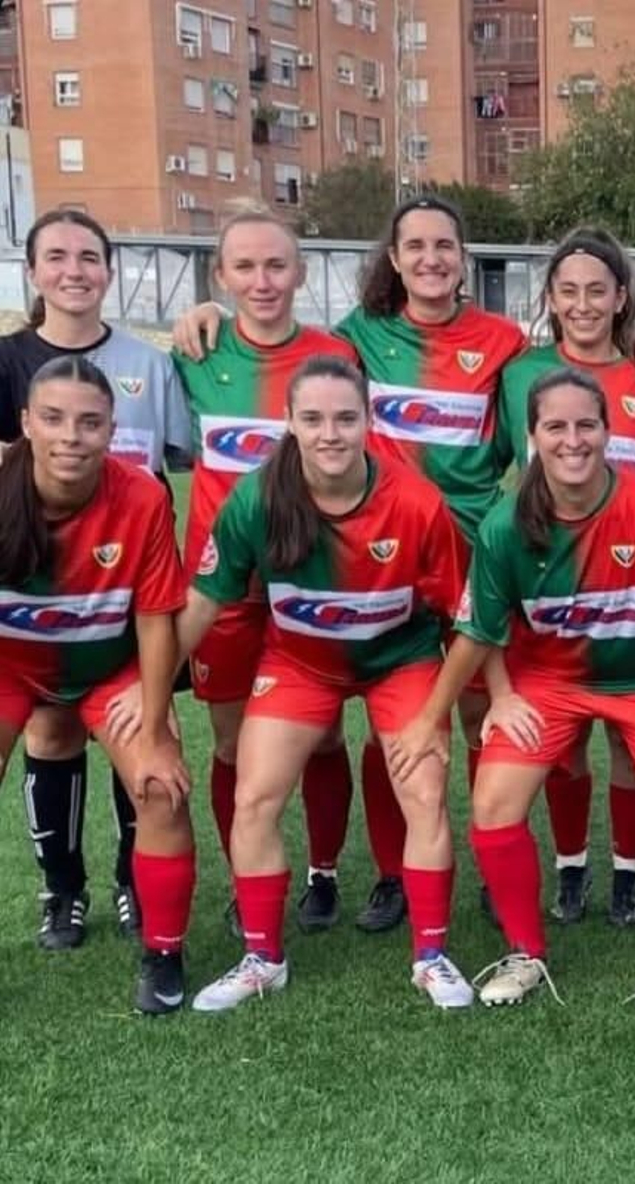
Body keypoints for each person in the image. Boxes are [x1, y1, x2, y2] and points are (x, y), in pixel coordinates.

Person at [174, 197, 635, 934]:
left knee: (464, 717)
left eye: (446, 246)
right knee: (317, 729)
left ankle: (467, 858)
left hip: (471, 557)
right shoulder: (354, 341)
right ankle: (351, 874)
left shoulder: (504, 345)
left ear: (463, 259)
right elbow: (283, 347)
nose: (432, 259)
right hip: (347, 560)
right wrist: (203, 315)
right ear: (396, 258)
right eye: (416, 246)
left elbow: (568, 375)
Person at [388, 367, 635, 1008]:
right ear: (533, 436)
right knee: (492, 804)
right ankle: (524, 953)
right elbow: (482, 626)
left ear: (607, 431)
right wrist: (488, 699)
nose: (573, 440)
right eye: (556, 427)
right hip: (549, 682)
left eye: (586, 425)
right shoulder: (505, 523)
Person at [169, 357, 473, 1010]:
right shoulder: (257, 496)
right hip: (301, 662)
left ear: (369, 420)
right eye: (312, 419)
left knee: (424, 790)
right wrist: (148, 695)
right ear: (289, 423)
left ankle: (431, 955)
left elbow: (465, 616)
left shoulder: (416, 501)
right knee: (254, 798)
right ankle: (262, 958)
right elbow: (203, 602)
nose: (329, 433)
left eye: (344, 417)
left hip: (402, 659)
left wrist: (464, 705)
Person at [0, 210, 190, 948]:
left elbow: (184, 454)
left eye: (89, 256)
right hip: (27, 634)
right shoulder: (8, 360)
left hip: (110, 613)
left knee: (144, 754)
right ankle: (62, 890)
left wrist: (157, 716)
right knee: (49, 734)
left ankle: (133, 883)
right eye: (57, 256)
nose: (74, 270)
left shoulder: (149, 366)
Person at [497, 228, 635, 928]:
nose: (582, 304)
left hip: (633, 596)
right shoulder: (518, 371)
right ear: (550, 298)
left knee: (628, 747)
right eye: (568, 290)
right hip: (548, 587)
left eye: (596, 290)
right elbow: (499, 472)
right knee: (563, 746)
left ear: (620, 298)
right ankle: (572, 868)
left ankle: (629, 876)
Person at [170, 207, 358, 935]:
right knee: (226, 740)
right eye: (243, 267)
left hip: (311, 578)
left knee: (323, 735)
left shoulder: (334, 353)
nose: (262, 281)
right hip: (224, 586)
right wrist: (198, 314)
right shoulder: (195, 351)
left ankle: (324, 873)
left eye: (276, 265)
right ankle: (245, 866)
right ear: (221, 276)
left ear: (302, 271)